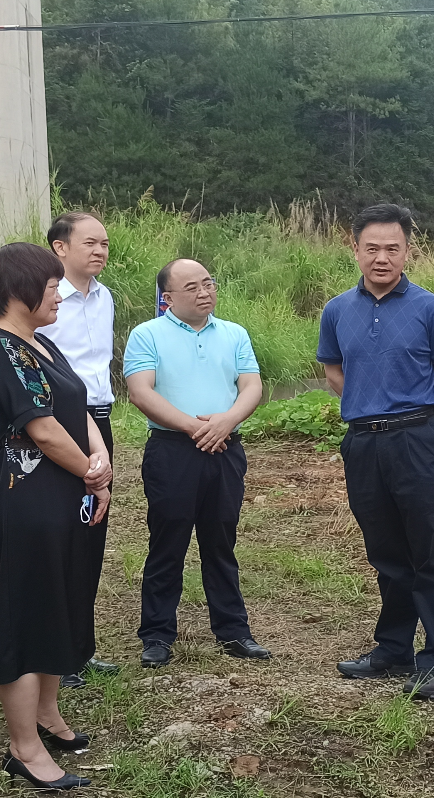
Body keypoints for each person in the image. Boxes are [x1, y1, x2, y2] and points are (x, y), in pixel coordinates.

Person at [0, 242, 114, 791]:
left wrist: (96, 466)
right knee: (27, 613)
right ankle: (22, 747)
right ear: (17, 291)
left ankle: (47, 714)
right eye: (51, 286)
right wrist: (91, 472)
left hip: (65, 492)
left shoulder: (42, 343)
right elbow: (43, 429)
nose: (58, 293)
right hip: (23, 498)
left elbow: (78, 410)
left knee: (62, 600)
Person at [320, 204, 434, 700]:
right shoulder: (338, 309)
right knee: (385, 550)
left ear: (408, 250)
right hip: (363, 442)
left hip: (416, 439)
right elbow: (335, 372)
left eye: (393, 249)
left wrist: (418, 426)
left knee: (429, 549)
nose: (382, 258)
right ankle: (393, 647)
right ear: (355, 248)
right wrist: (370, 410)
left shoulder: (431, 308)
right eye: (372, 248)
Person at [124, 258, 271, 668]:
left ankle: (233, 631)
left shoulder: (234, 333)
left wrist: (226, 421)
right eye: (192, 287)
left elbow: (251, 385)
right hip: (172, 451)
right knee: (167, 543)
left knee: (221, 541)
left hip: (226, 448)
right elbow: (141, 392)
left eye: (209, 283)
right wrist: (195, 428)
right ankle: (156, 634)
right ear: (167, 298)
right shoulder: (147, 335)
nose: (205, 292)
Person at [36, 211, 121, 689]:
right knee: (62, 537)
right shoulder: (45, 301)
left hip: (101, 422)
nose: (100, 251)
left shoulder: (104, 296)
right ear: (59, 247)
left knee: (91, 536)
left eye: (105, 244)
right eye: (90, 242)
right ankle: (57, 654)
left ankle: (80, 650)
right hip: (60, 424)